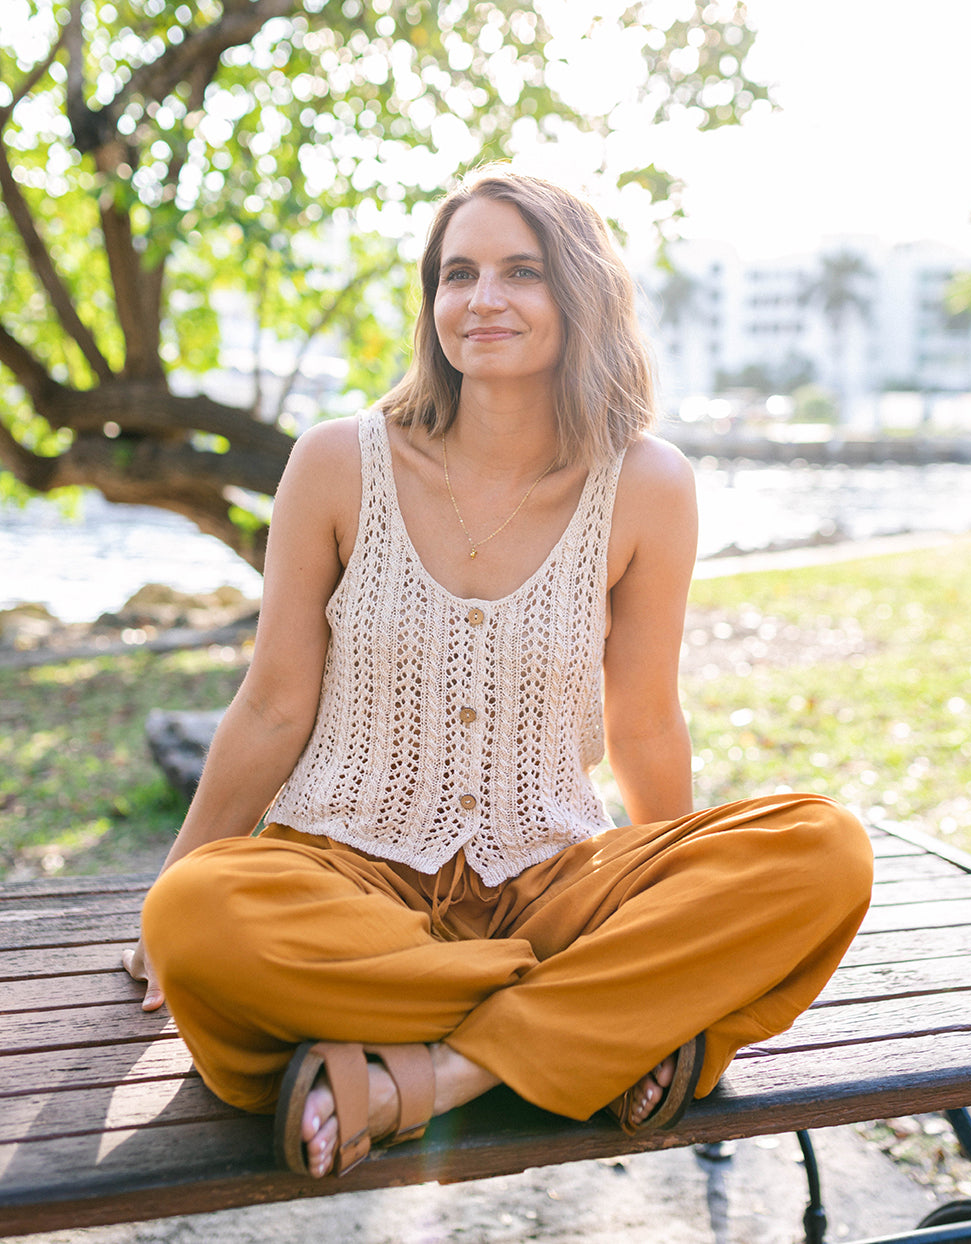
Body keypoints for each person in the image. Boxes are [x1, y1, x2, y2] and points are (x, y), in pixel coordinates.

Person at [124, 165, 873, 1180]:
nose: (482, 300)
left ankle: (417, 1078)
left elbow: (644, 717)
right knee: (195, 917)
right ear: (431, 300)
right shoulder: (339, 460)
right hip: (341, 868)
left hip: (548, 877)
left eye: (520, 271)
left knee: (824, 847)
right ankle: (603, 1025)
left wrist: (655, 903)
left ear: (579, 292)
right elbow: (272, 701)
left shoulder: (648, 484)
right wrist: (169, 883)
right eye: (457, 273)